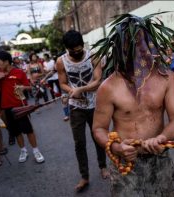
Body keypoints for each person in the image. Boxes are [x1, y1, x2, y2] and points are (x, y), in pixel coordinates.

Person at [92, 14, 174, 197]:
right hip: (126, 163)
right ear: (120, 48)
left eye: (143, 43)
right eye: (132, 45)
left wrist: (162, 138)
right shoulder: (108, 87)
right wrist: (117, 148)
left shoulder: (167, 78)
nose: (139, 50)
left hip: (160, 159)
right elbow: (99, 129)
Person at [55, 30, 108, 192]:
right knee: (79, 143)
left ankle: (103, 166)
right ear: (67, 48)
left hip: (95, 104)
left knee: (98, 137)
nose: (77, 53)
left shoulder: (93, 55)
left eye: (79, 49)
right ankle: (84, 176)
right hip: (76, 106)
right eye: (73, 51)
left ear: (83, 45)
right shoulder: (61, 61)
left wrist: (81, 89)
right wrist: (71, 91)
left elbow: (98, 81)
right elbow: (63, 83)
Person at [0, 50, 45, 163]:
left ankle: (36, 150)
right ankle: (23, 150)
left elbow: (29, 87)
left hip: (20, 106)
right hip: (6, 108)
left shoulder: (19, 72)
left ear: (6, 61)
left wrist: (22, 87)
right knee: (16, 132)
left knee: (28, 130)